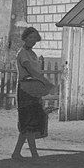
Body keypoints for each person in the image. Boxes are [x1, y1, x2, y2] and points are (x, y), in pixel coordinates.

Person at [12, 27, 53, 160]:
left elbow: (36, 72)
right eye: (30, 38)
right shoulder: (22, 53)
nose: (32, 41)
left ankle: (16, 153)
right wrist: (45, 81)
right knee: (28, 121)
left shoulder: (33, 54)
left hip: (33, 88)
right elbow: (31, 71)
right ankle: (34, 154)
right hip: (25, 88)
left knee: (30, 122)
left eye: (35, 38)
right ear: (25, 38)